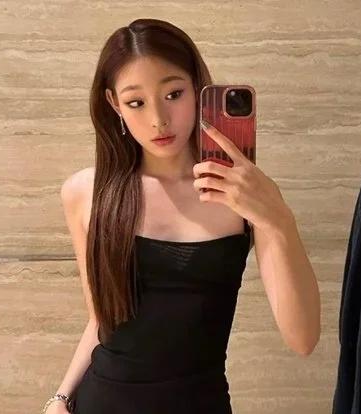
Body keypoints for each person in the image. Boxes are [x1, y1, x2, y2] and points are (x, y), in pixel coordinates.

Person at [42, 18, 321, 414]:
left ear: (198, 89)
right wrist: (60, 398)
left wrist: (280, 220)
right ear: (114, 104)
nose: (158, 118)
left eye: (173, 94)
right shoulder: (85, 193)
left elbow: (303, 339)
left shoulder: (243, 194)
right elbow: (101, 322)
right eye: (136, 102)